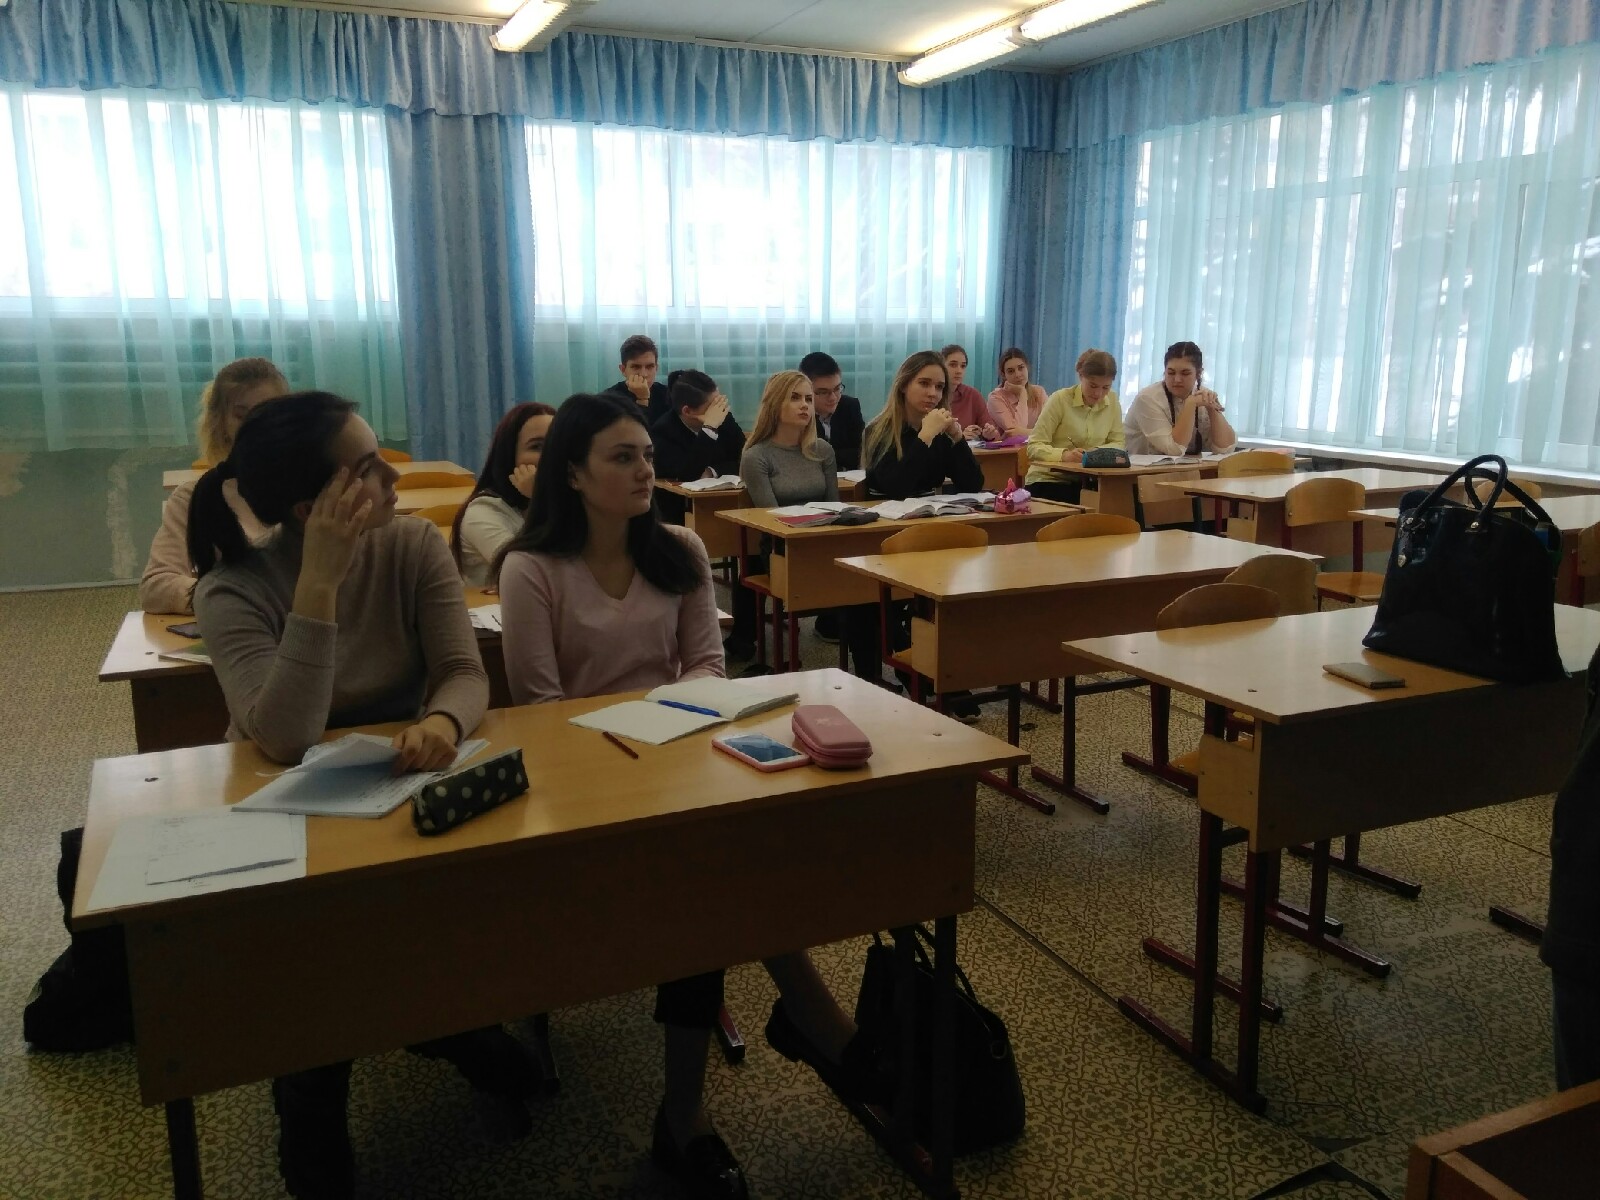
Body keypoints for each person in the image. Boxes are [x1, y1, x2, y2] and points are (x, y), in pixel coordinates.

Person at [498, 392, 888, 1199]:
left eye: (647, 455)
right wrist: (641, 735)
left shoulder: (676, 546)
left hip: (680, 762)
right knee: (709, 882)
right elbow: (540, 708)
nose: (646, 470)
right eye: (623, 458)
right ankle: (810, 1028)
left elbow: (709, 667)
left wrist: (671, 726)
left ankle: (691, 1113)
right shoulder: (530, 568)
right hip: (586, 788)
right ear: (572, 474)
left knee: (714, 870)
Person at [188, 392, 538, 1200]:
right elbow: (284, 736)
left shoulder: (411, 545)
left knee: (429, 936)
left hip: (405, 790)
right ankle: (317, 1095)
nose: (392, 479)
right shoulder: (231, 590)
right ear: (310, 509)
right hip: (289, 812)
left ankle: (446, 1022)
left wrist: (443, 720)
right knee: (321, 970)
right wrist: (318, 582)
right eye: (368, 468)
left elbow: (462, 671)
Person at [139, 357, 287, 613]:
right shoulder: (192, 497)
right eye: (242, 415)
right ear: (222, 423)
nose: (256, 426)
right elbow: (156, 587)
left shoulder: (314, 488)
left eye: (268, 413)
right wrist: (235, 598)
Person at [451, 402, 557, 587]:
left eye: (557, 445)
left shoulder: (568, 500)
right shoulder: (482, 511)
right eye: (537, 447)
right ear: (509, 455)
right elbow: (528, 574)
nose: (551, 455)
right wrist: (540, 500)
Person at [863, 351, 984, 499]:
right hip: (884, 509)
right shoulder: (878, 430)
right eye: (924, 383)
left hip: (928, 508)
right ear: (903, 385)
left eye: (939, 387)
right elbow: (896, 488)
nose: (933, 393)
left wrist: (958, 438)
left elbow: (972, 485)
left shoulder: (940, 431)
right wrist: (925, 437)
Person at [1026, 349, 1125, 505]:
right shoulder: (1060, 400)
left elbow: (1119, 443)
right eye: (1093, 386)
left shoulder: (1113, 401)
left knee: (1123, 499)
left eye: (1106, 387)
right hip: (1050, 480)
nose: (1098, 394)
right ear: (1081, 376)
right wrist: (1064, 455)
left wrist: (1096, 453)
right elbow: (1033, 446)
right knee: (1087, 506)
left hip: (1090, 481)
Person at [649, 369, 746, 525]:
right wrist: (709, 429)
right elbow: (687, 475)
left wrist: (711, 471)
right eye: (711, 406)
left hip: (729, 504)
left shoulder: (723, 419)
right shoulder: (663, 432)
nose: (718, 410)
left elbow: (745, 458)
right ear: (687, 411)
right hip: (680, 514)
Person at [1125, 340, 1237, 456]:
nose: (1177, 379)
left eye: (1185, 373)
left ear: (1198, 374)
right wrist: (1190, 404)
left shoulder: (1202, 395)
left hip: (1188, 466)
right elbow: (1175, 450)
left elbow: (1225, 449)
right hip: (1139, 466)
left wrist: (1211, 408)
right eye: (1171, 373)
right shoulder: (1148, 398)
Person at [797, 351, 865, 471]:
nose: (833, 397)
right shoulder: (798, 413)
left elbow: (863, 452)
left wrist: (826, 454)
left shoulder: (850, 406)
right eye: (823, 392)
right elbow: (803, 459)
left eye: (837, 388)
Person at [605, 333, 672, 424]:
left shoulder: (669, 396)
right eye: (636, 367)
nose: (643, 374)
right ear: (623, 370)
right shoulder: (608, 401)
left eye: (650, 367)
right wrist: (642, 399)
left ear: (656, 368)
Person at [986, 347, 1049, 437]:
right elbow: (1016, 435)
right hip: (1011, 446)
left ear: (1027, 368)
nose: (1017, 374)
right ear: (1004, 375)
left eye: (1021, 368)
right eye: (1011, 371)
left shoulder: (1039, 392)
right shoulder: (995, 398)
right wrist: (1022, 394)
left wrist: (1026, 432)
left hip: (1039, 445)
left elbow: (1051, 429)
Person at [942, 344, 1000, 441]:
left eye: (963, 366)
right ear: (941, 366)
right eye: (953, 365)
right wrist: (959, 437)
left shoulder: (973, 395)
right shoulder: (932, 395)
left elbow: (994, 435)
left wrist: (989, 434)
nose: (959, 371)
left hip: (970, 450)